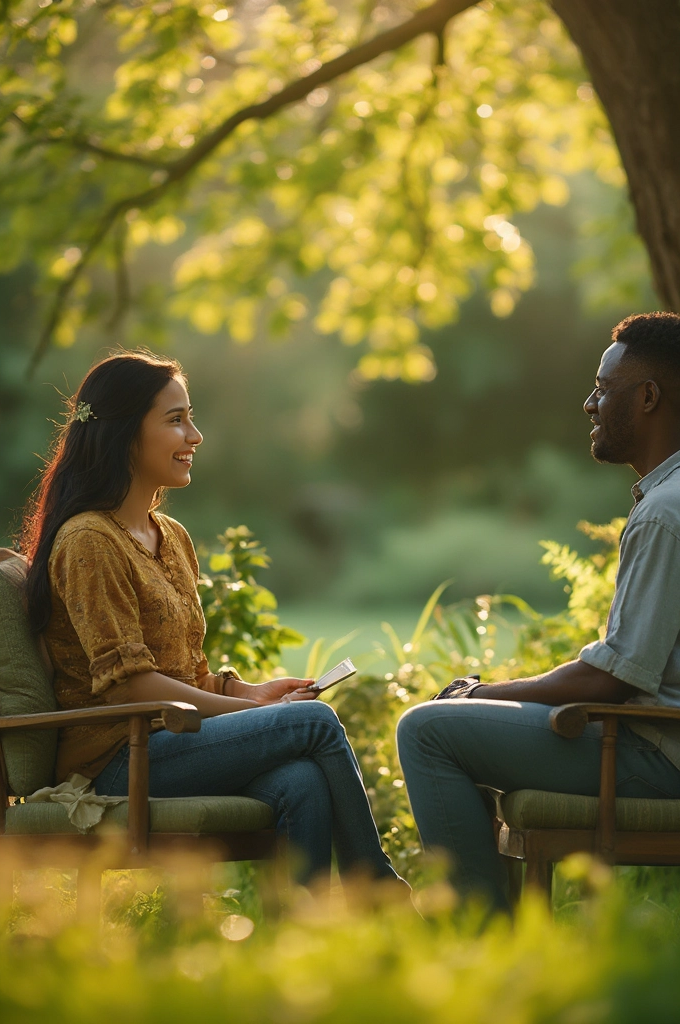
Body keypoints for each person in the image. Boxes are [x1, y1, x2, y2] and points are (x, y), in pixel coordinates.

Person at [396, 312, 680, 910]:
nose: (589, 404)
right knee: (452, 724)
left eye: (603, 389)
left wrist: (479, 694)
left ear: (648, 397)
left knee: (425, 728)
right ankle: (486, 922)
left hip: (660, 760)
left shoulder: (671, 513)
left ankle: (474, 929)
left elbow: (615, 677)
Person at [21, 350, 401, 888]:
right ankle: (376, 888)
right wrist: (237, 714)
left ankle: (307, 945)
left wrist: (252, 695)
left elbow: (186, 673)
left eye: (190, 417)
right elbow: (128, 690)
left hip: (173, 744)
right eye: (176, 420)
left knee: (302, 781)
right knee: (312, 722)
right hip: (119, 757)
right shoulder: (89, 541)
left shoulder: (171, 538)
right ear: (125, 433)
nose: (195, 435)